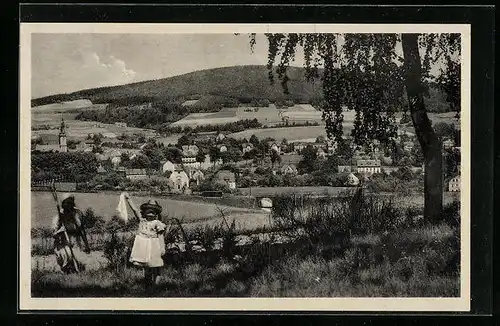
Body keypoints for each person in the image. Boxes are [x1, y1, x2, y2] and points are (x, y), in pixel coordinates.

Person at [123, 193, 170, 292]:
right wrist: (128, 199)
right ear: (144, 212)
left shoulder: (157, 223)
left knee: (156, 266)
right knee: (146, 266)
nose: (150, 214)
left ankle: (156, 286)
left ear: (156, 214)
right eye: (148, 211)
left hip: (154, 245)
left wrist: (162, 248)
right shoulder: (142, 221)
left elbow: (160, 236)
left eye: (153, 212)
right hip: (143, 246)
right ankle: (148, 285)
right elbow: (135, 210)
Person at [52, 193, 91, 273]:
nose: (69, 205)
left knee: (80, 264)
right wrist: (60, 231)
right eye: (66, 203)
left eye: (70, 203)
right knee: (67, 258)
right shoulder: (59, 217)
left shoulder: (78, 213)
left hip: (76, 241)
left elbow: (82, 230)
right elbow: (54, 235)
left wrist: (86, 245)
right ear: (63, 204)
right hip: (62, 242)